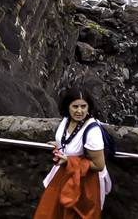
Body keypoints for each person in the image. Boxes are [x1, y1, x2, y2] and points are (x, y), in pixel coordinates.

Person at [34, 87, 111, 219]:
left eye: (83, 106)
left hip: (83, 183)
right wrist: (60, 144)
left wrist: (69, 161)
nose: (79, 111)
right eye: (75, 106)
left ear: (89, 107)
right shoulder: (66, 120)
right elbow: (70, 140)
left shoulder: (92, 132)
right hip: (64, 175)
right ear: (67, 107)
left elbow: (99, 165)